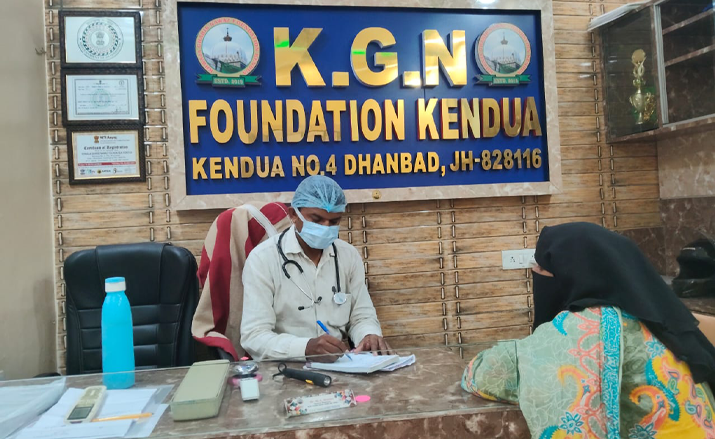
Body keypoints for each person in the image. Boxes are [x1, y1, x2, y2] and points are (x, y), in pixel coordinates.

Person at [462, 222, 715, 438]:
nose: (535, 274)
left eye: (542, 268)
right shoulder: (656, 316)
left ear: (569, 272)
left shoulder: (587, 327)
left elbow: (486, 373)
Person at [240, 175, 390, 362]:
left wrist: (368, 335)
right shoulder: (263, 259)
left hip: (340, 364)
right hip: (284, 367)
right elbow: (254, 336)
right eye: (317, 219)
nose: (326, 228)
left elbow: (361, 315)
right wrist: (305, 348)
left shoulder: (348, 255)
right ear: (293, 215)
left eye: (334, 222)